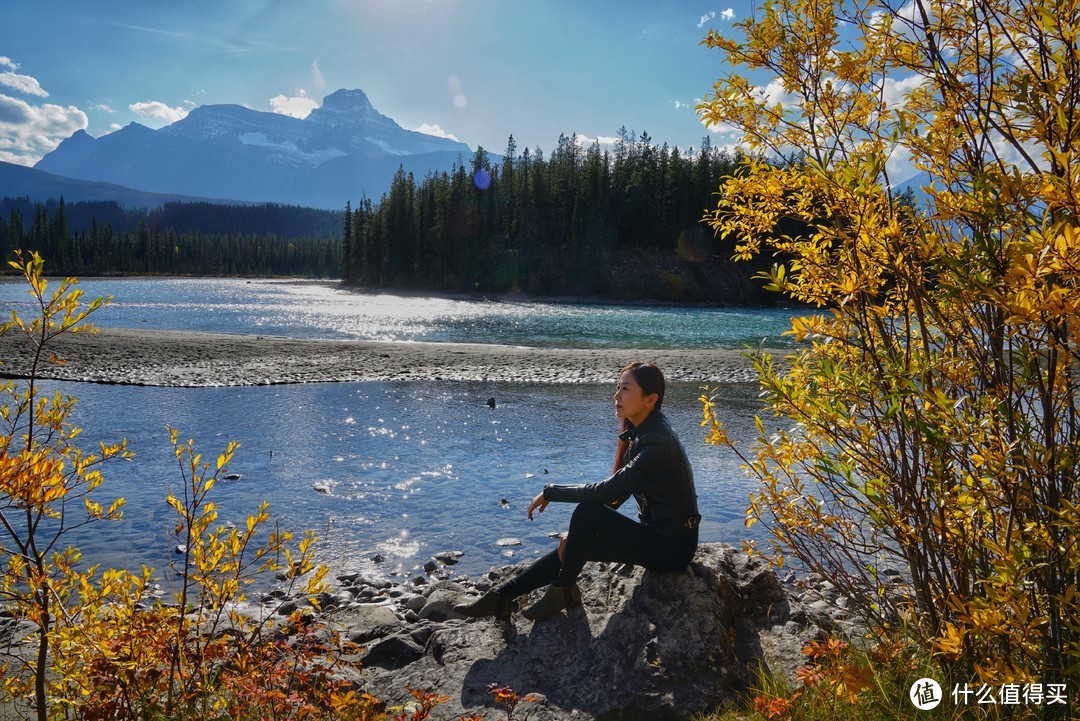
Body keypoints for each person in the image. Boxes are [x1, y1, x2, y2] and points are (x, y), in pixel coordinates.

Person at [454, 361, 701, 622]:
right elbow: (618, 496)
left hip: (673, 548)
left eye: (625, 389)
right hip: (657, 537)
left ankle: (563, 588)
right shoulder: (642, 432)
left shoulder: (656, 443)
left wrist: (551, 492)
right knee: (576, 543)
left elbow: (608, 491)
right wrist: (577, 533)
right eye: (617, 387)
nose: (616, 395)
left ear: (650, 399)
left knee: (588, 511)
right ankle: (503, 596)